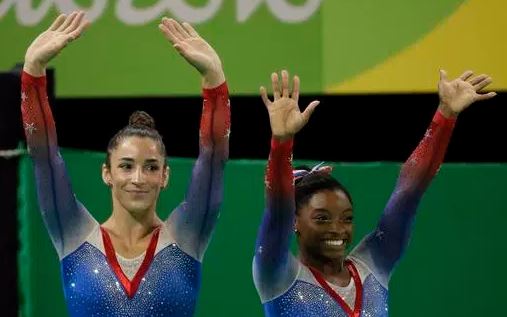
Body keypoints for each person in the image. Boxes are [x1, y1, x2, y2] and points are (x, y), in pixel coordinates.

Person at [20, 11, 230, 316]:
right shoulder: (74, 234)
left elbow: (213, 159)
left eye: (151, 167)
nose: (139, 178)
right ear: (107, 173)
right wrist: (32, 74)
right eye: (126, 165)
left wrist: (215, 81)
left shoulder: (186, 236)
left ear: (165, 176)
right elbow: (44, 157)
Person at [253, 69, 495, 316]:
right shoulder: (277, 276)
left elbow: (409, 192)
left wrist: (445, 115)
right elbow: (277, 212)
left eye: (346, 218)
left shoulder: (373, 266)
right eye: (322, 218)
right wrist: (282, 143)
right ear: (295, 222)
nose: (337, 228)